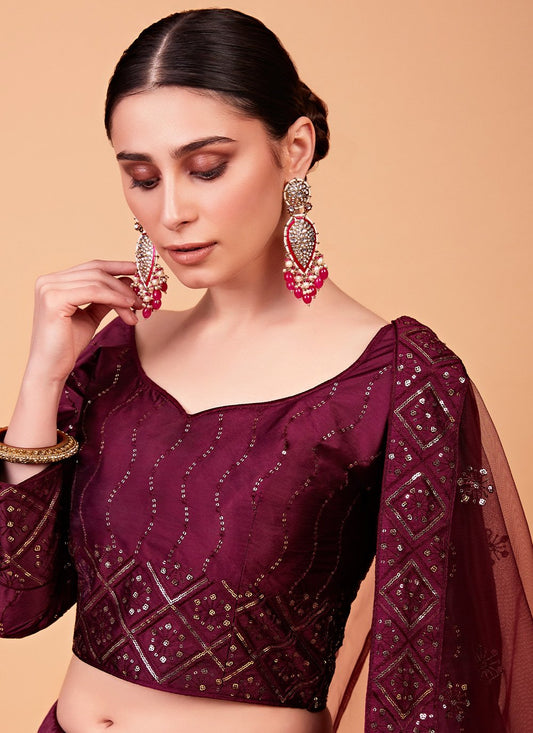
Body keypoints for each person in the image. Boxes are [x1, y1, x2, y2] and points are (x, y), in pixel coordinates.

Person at [0, 8, 531, 733]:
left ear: (295, 149)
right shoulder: (116, 354)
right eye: (142, 177)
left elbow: (429, 676)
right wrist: (41, 379)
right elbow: (14, 602)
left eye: (206, 168)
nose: (172, 211)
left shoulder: (397, 380)